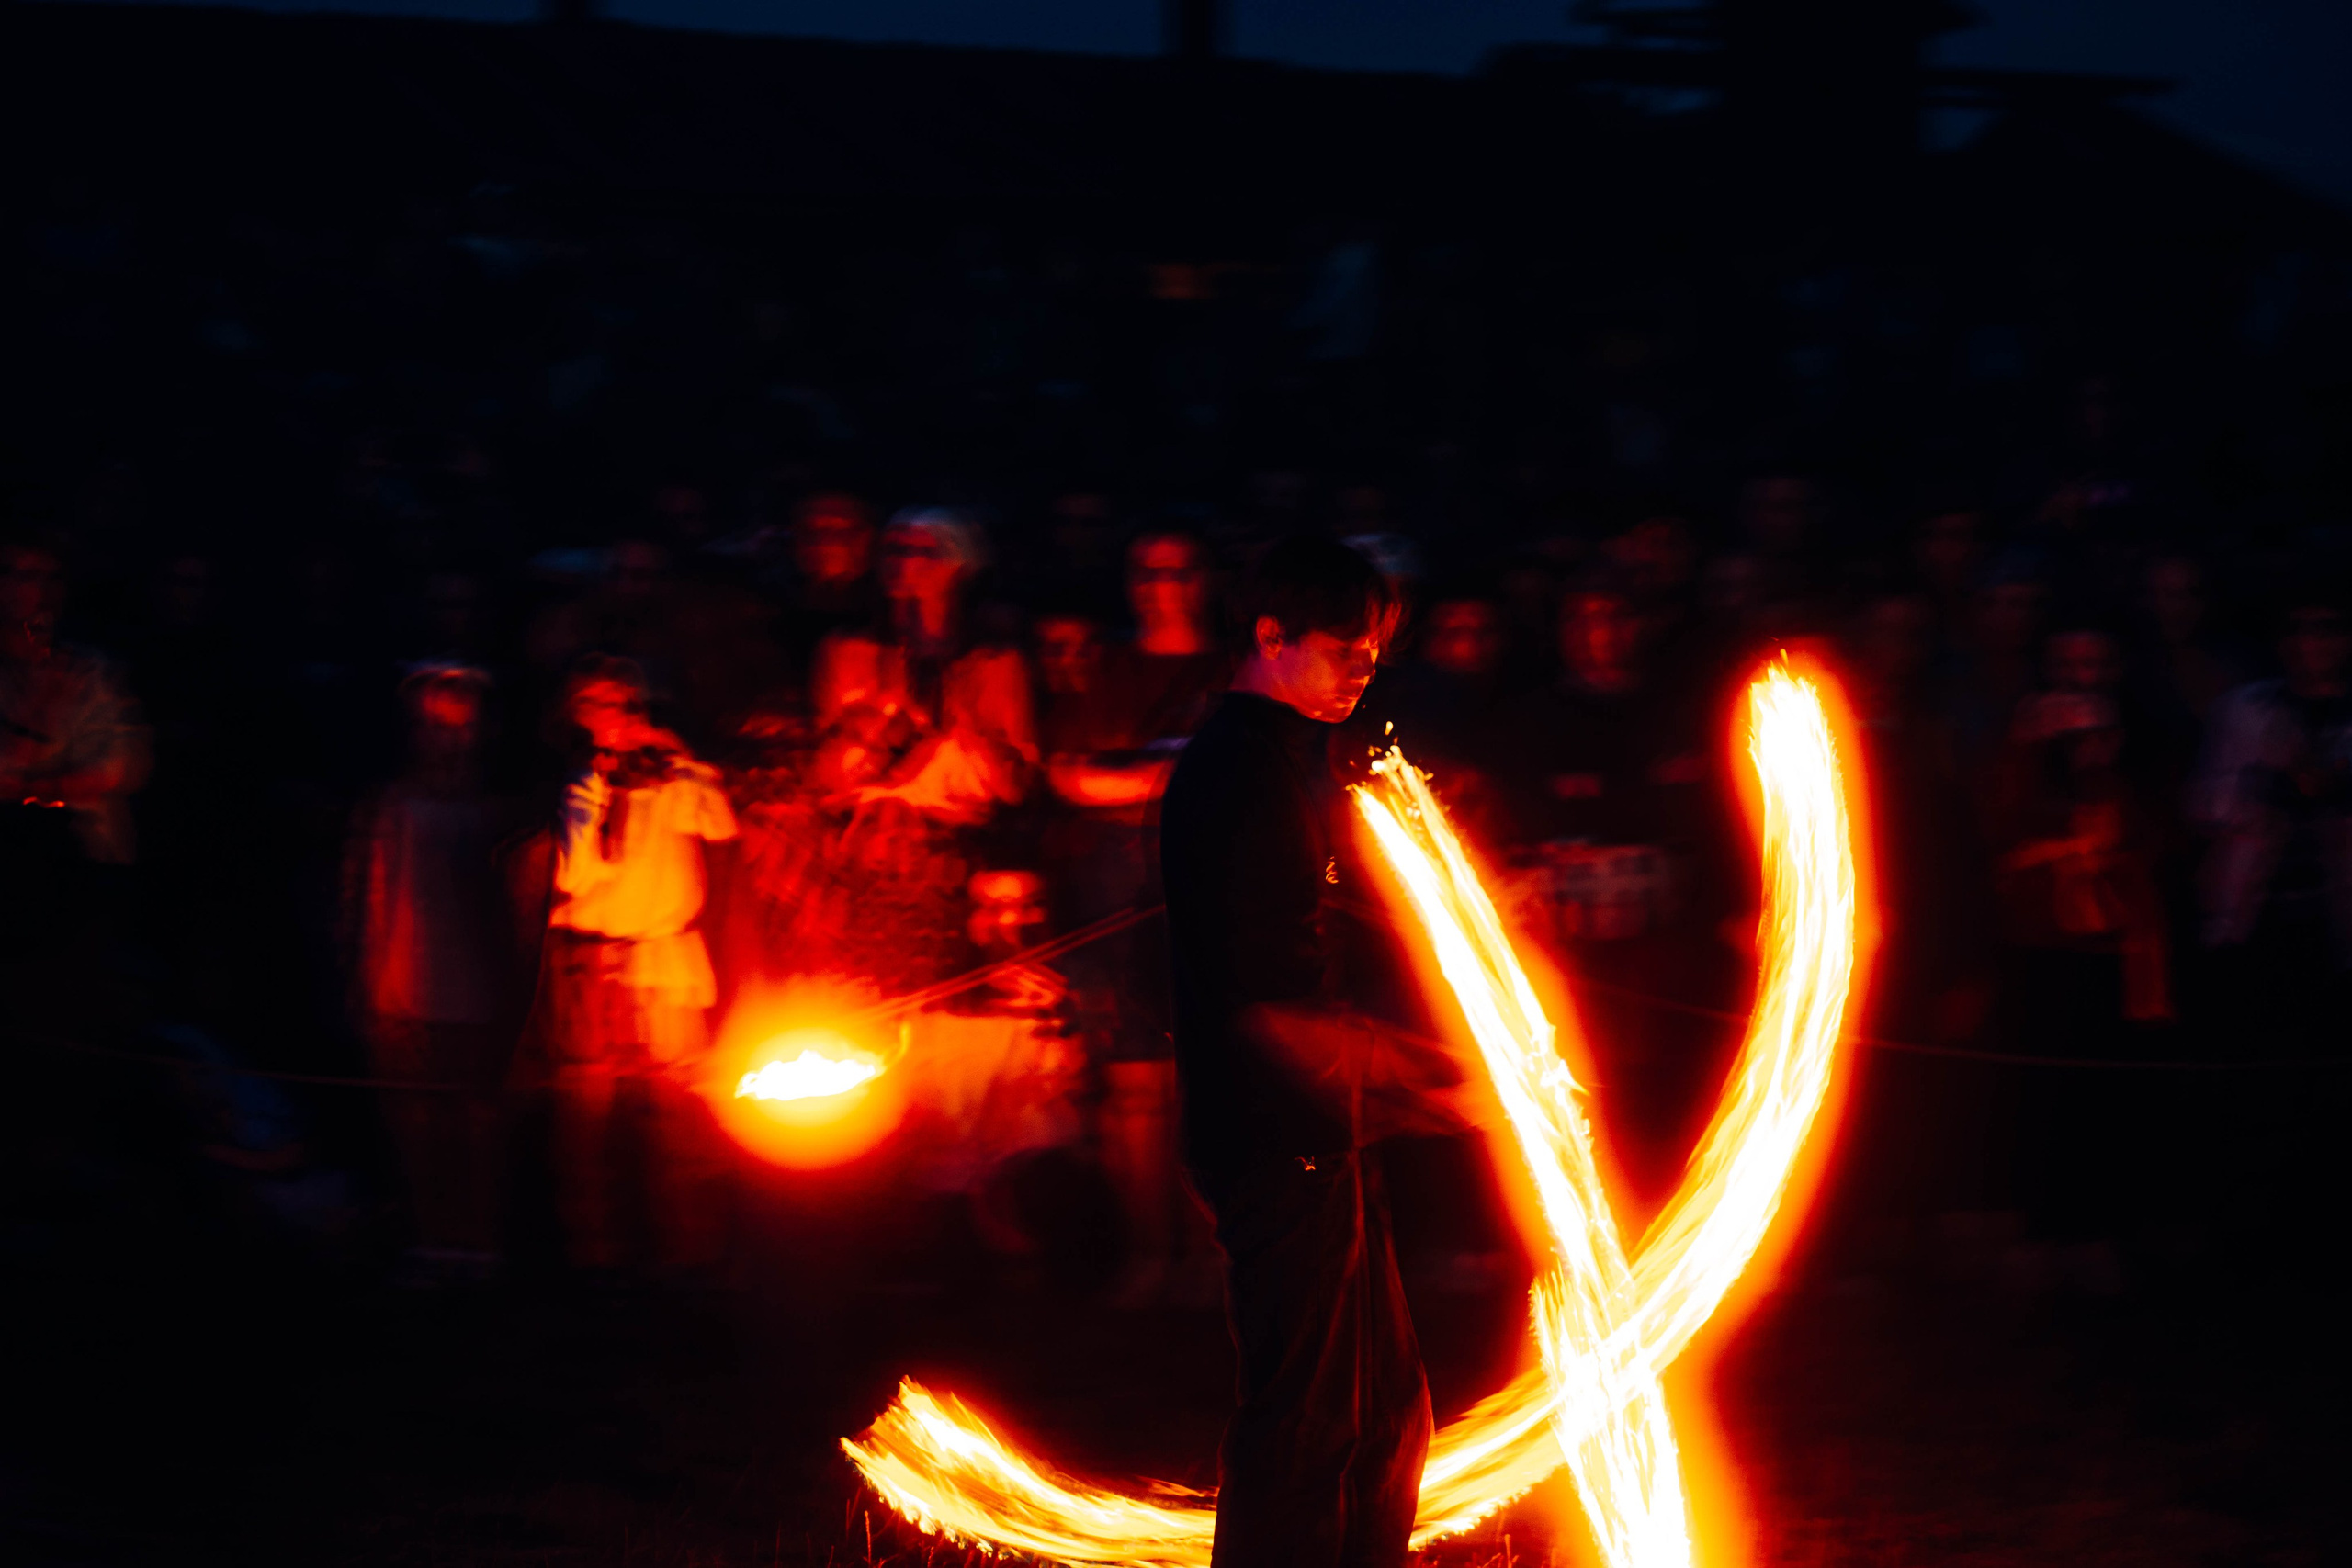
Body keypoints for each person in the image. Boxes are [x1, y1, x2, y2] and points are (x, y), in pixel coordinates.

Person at [1160, 534, 1477, 1568]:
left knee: (1386, 1413)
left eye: (1375, 650)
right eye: (1345, 646)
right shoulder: (1240, 778)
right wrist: (1425, 1079)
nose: (1364, 668)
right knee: (1308, 1426)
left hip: (1314, 1132)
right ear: (1270, 637)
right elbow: (1263, 1006)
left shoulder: (1282, 762)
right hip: (1274, 1140)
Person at [1041, 530, 1229, 1300]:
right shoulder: (1105, 670)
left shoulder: (1236, 669)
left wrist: (1139, 776)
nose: (1159, 586)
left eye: (1176, 570)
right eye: (1145, 571)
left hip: (1215, 890)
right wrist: (1180, 771)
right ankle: (1150, 1253)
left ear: (1204, 578)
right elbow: (1073, 778)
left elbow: (1251, 778)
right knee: (1134, 1085)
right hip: (1118, 896)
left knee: (1214, 1084)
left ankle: (1216, 1257)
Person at [543, 655, 739, 1274]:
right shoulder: (568, 783)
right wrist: (599, 790)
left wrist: (678, 756)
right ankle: (596, 1264)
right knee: (588, 1122)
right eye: (601, 704)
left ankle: (691, 1260)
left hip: (666, 955)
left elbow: (719, 823)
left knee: (677, 1117)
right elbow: (574, 874)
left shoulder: (668, 775)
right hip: (590, 962)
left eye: (628, 704)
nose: (620, 718)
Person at [344, 665, 518, 1281]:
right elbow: (368, 898)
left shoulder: (498, 810)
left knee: (478, 1117)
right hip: (406, 987)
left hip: (480, 992)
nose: (447, 739)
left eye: (459, 726)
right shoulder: (392, 806)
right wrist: (368, 980)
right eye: (434, 726)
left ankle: (480, 1237)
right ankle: (432, 1234)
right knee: (416, 1118)